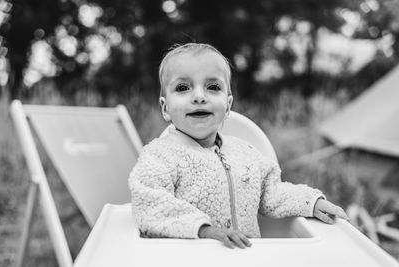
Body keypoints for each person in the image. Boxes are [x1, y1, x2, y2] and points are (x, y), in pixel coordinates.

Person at [128, 43, 349, 249]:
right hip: (192, 256)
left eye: (212, 87)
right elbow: (150, 202)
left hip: (247, 256)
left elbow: (271, 193)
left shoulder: (246, 153)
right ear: (165, 108)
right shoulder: (159, 156)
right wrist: (204, 230)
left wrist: (310, 202)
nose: (198, 96)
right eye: (183, 87)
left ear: (228, 105)